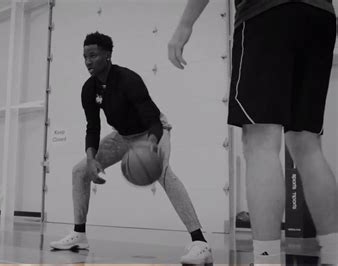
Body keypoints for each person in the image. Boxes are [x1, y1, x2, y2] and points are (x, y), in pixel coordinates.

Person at [168, 0, 338, 264]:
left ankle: (266, 259)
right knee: (307, 144)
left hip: (267, 13)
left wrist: (185, 24)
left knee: (260, 142)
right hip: (320, 15)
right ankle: (335, 253)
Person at [49, 32, 213, 264]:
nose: (87, 61)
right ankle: (79, 234)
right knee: (79, 171)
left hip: (153, 131)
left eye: (93, 55)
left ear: (108, 55)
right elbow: (92, 127)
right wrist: (91, 158)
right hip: (123, 136)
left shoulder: (128, 80)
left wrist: (150, 147)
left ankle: (200, 243)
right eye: (84, 56)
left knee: (164, 174)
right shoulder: (89, 89)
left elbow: (154, 121)